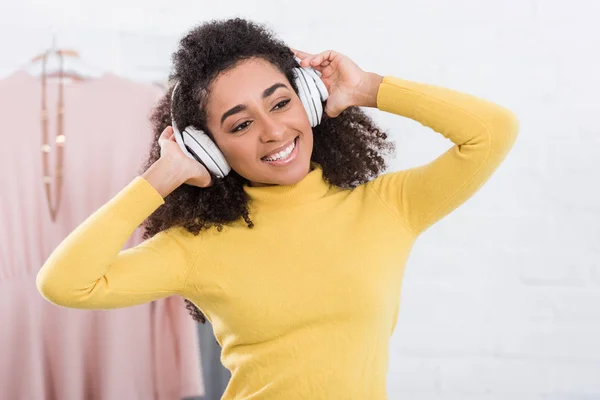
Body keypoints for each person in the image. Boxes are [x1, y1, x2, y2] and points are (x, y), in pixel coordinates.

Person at [36, 17, 519, 400]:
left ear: (308, 102)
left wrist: (368, 87)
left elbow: (492, 133)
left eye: (281, 103)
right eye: (240, 125)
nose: (272, 131)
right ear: (209, 149)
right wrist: (161, 177)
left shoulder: (388, 207)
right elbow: (63, 283)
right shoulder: (196, 247)